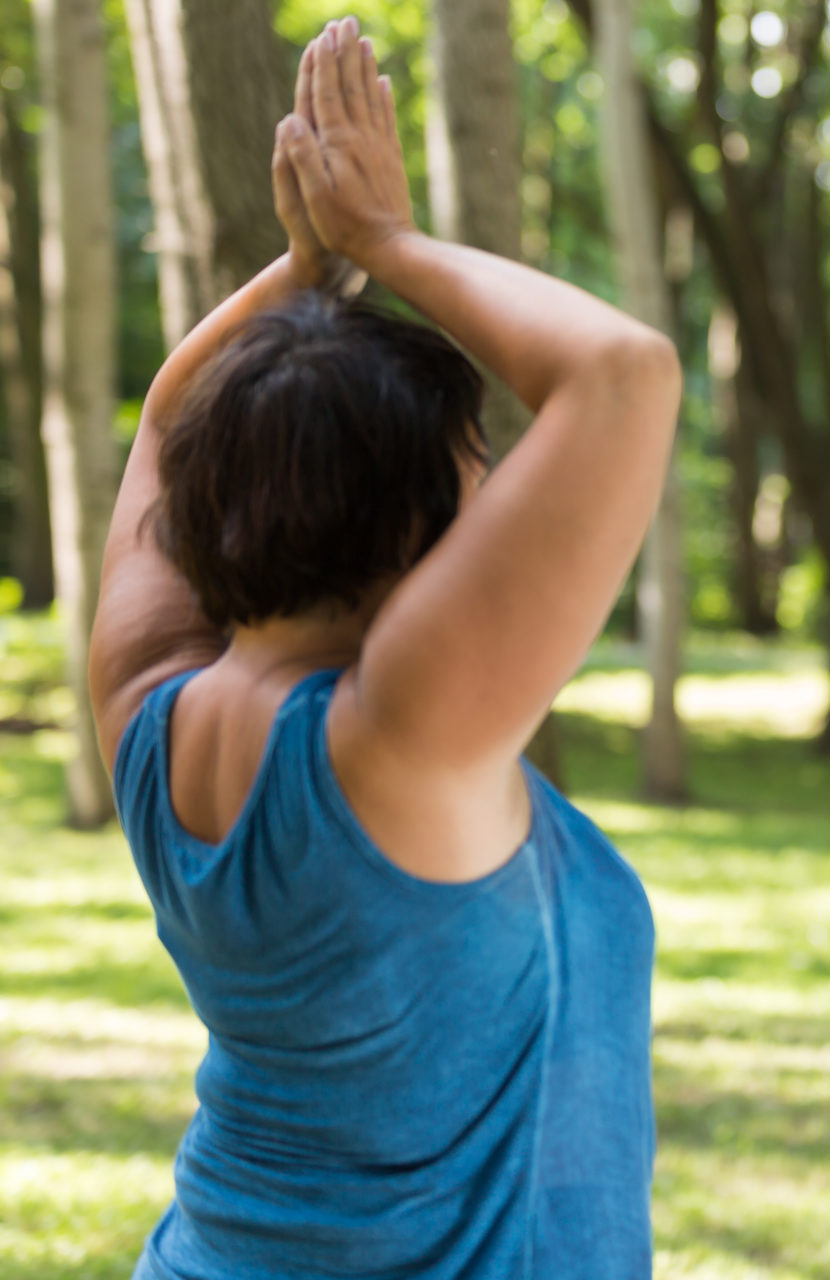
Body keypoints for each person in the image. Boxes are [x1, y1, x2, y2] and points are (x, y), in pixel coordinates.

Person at [89, 19, 679, 1279]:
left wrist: (305, 270)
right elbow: (623, 374)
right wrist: (378, 248)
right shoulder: (398, 739)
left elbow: (167, 416)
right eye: (476, 473)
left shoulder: (146, 702)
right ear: (405, 522)